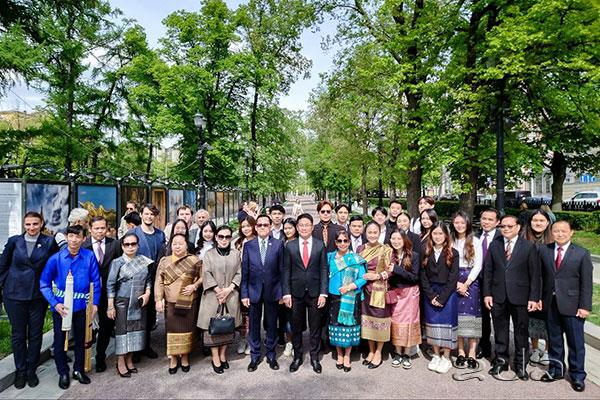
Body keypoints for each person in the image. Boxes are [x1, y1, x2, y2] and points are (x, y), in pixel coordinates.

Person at [0, 211, 59, 389]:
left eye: (35, 224)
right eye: (28, 224)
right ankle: (20, 371)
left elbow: (55, 265)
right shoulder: (14, 241)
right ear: (24, 225)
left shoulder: (49, 242)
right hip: (14, 295)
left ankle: (31, 370)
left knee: (35, 334)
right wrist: (4, 286)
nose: (31, 227)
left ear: (41, 224)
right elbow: (2, 265)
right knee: (18, 334)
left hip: (37, 296)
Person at [39, 225, 101, 389]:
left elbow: (95, 281)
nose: (73, 240)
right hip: (61, 308)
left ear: (84, 238)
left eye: (77, 236)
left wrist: (95, 303)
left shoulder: (89, 257)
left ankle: (78, 369)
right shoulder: (56, 259)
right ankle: (63, 372)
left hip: (82, 306)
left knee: (81, 339)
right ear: (66, 237)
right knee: (60, 341)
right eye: (71, 236)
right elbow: (44, 283)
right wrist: (55, 303)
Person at [483, 215, 541, 380]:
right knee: (500, 331)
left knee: (521, 333)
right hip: (498, 295)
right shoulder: (495, 245)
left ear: (518, 227)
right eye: (503, 226)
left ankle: (520, 364)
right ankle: (501, 361)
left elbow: (535, 275)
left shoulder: (528, 246)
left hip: (521, 297)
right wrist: (487, 293)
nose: (506, 229)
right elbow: (488, 271)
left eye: (509, 226)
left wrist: (534, 297)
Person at [539, 221, 593, 392]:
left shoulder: (582, 253)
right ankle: (556, 370)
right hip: (550, 303)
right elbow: (540, 277)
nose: (560, 234)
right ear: (551, 232)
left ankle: (577, 375)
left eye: (563, 231)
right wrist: (538, 298)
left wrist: (585, 306)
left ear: (571, 233)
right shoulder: (544, 250)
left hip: (573, 305)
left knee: (576, 343)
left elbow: (586, 283)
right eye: (556, 231)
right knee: (554, 340)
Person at [282, 213, 328, 374]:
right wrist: (286, 293)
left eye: (307, 225)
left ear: (312, 227)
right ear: (297, 227)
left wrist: (323, 293)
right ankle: (297, 357)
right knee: (296, 327)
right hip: (296, 293)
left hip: (315, 293)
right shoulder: (290, 246)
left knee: (315, 327)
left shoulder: (320, 245)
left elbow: (324, 269)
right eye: (301, 225)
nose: (304, 228)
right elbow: (286, 270)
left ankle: (315, 357)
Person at [106, 232, 153, 378]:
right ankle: (120, 361)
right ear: (122, 246)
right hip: (122, 302)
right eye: (127, 244)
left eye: (133, 244)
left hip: (139, 301)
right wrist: (110, 306)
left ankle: (130, 359)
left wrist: (147, 294)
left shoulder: (143, 261)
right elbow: (110, 285)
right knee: (122, 331)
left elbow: (148, 280)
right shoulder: (117, 262)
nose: (130, 247)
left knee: (136, 330)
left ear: (138, 245)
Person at [241, 214, 285, 372]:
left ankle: (271, 354)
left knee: (272, 324)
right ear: (255, 227)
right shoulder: (249, 245)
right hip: (253, 291)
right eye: (259, 225)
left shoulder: (278, 244)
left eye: (265, 225)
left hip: (273, 291)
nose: (262, 227)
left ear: (270, 226)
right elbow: (245, 272)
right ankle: (255, 355)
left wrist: (282, 292)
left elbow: (282, 270)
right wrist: (244, 294)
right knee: (254, 325)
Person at [197, 226, 242, 374]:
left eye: (227, 237)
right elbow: (206, 273)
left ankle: (223, 355)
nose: (224, 239)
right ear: (216, 237)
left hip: (230, 295)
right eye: (221, 236)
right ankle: (215, 357)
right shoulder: (209, 254)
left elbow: (239, 273)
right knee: (213, 328)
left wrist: (229, 289)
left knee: (227, 327)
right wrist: (218, 290)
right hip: (213, 296)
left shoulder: (236, 254)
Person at [155, 234, 202, 374]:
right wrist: (158, 299)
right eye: (174, 243)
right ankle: (174, 358)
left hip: (189, 301)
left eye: (180, 243)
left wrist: (194, 286)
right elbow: (159, 281)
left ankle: (185, 357)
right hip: (171, 302)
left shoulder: (195, 260)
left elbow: (203, 277)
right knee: (172, 331)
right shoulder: (165, 261)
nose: (177, 246)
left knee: (187, 329)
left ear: (186, 245)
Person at [83, 216, 122, 373]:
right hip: (88, 292)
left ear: (107, 229)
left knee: (106, 326)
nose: (100, 231)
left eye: (102, 228)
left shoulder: (115, 244)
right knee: (86, 326)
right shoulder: (84, 246)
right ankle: (84, 358)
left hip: (108, 293)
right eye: (96, 228)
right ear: (90, 229)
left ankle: (100, 357)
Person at [421, 222, 459, 374]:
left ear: (446, 235)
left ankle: (446, 357)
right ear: (431, 235)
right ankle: (436, 354)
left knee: (447, 325)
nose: (437, 236)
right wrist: (431, 295)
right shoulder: (426, 251)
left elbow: (453, 278)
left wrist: (442, 298)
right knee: (433, 324)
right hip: (430, 292)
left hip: (447, 294)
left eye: (441, 233)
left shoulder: (453, 253)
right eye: (435, 233)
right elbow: (422, 275)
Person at [327, 230, 367, 372]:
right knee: (336, 325)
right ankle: (339, 354)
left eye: (345, 240)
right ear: (335, 242)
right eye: (340, 241)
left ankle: (347, 356)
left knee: (349, 326)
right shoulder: (329, 257)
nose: (342, 243)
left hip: (351, 296)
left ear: (349, 242)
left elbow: (363, 278)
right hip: (334, 295)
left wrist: (349, 287)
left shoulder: (356, 258)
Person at [130, 204, 165, 360]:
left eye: (152, 214)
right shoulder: (133, 233)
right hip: (137, 279)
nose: (149, 216)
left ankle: (146, 345)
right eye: (146, 213)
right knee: (137, 315)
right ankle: (135, 349)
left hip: (154, 278)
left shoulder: (160, 234)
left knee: (150, 315)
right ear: (141, 215)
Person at [357, 220, 393, 369]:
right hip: (364, 289)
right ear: (365, 233)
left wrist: (377, 276)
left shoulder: (386, 249)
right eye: (370, 232)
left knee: (379, 321)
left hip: (379, 289)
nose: (372, 235)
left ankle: (378, 352)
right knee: (367, 321)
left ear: (380, 233)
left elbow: (390, 270)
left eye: (375, 232)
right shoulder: (360, 248)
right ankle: (371, 351)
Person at [450, 211, 482, 369]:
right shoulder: (450, 240)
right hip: (454, 280)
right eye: (457, 222)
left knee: (471, 316)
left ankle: (472, 352)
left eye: (462, 223)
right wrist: (456, 283)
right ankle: (461, 350)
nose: (459, 225)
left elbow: (478, 264)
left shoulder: (475, 241)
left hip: (471, 281)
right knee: (458, 317)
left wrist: (466, 284)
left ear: (467, 224)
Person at [386, 228, 421, 369]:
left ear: (404, 240)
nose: (396, 241)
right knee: (396, 322)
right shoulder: (389, 255)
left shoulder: (413, 255)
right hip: (396, 293)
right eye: (393, 238)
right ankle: (397, 352)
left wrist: (397, 269)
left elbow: (414, 278)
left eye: (399, 239)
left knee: (409, 323)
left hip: (410, 293)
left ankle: (407, 354)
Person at [522, 209, 553, 365]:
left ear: (547, 223)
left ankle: (547, 350)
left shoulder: (553, 240)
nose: (538, 223)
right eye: (535, 220)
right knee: (532, 320)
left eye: (541, 220)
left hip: (548, 287)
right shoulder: (523, 239)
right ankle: (534, 348)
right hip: (528, 286)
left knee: (549, 320)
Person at [476, 207, 501, 359]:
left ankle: (500, 352)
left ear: (497, 222)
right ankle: (484, 347)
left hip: (497, 284)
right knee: (483, 318)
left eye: (490, 219)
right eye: (484, 219)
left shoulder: (501, 237)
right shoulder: (475, 236)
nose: (486, 222)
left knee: (499, 319)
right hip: (478, 282)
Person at [234, 216, 257, 356]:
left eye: (248, 226)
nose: (246, 229)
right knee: (242, 313)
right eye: (243, 227)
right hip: (239, 281)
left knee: (253, 313)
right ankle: (242, 339)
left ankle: (252, 340)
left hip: (253, 282)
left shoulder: (257, 241)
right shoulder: (238, 243)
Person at [279, 218, 297, 356]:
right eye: (285, 228)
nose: (288, 230)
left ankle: (296, 342)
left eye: (290, 228)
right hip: (283, 285)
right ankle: (289, 342)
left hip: (297, 284)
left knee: (296, 316)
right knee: (286, 316)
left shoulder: (299, 243)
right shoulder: (281, 243)